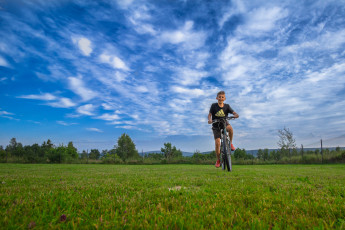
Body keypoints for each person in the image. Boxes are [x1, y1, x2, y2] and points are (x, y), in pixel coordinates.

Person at [208, 91, 239, 168]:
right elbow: (210, 115)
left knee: (230, 129)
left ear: (224, 98)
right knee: (217, 142)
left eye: (222, 97)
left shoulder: (227, 106)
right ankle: (218, 160)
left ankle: (230, 143)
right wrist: (210, 120)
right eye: (219, 97)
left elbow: (234, 112)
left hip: (224, 123)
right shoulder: (213, 106)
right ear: (217, 98)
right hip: (216, 125)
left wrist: (235, 115)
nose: (221, 98)